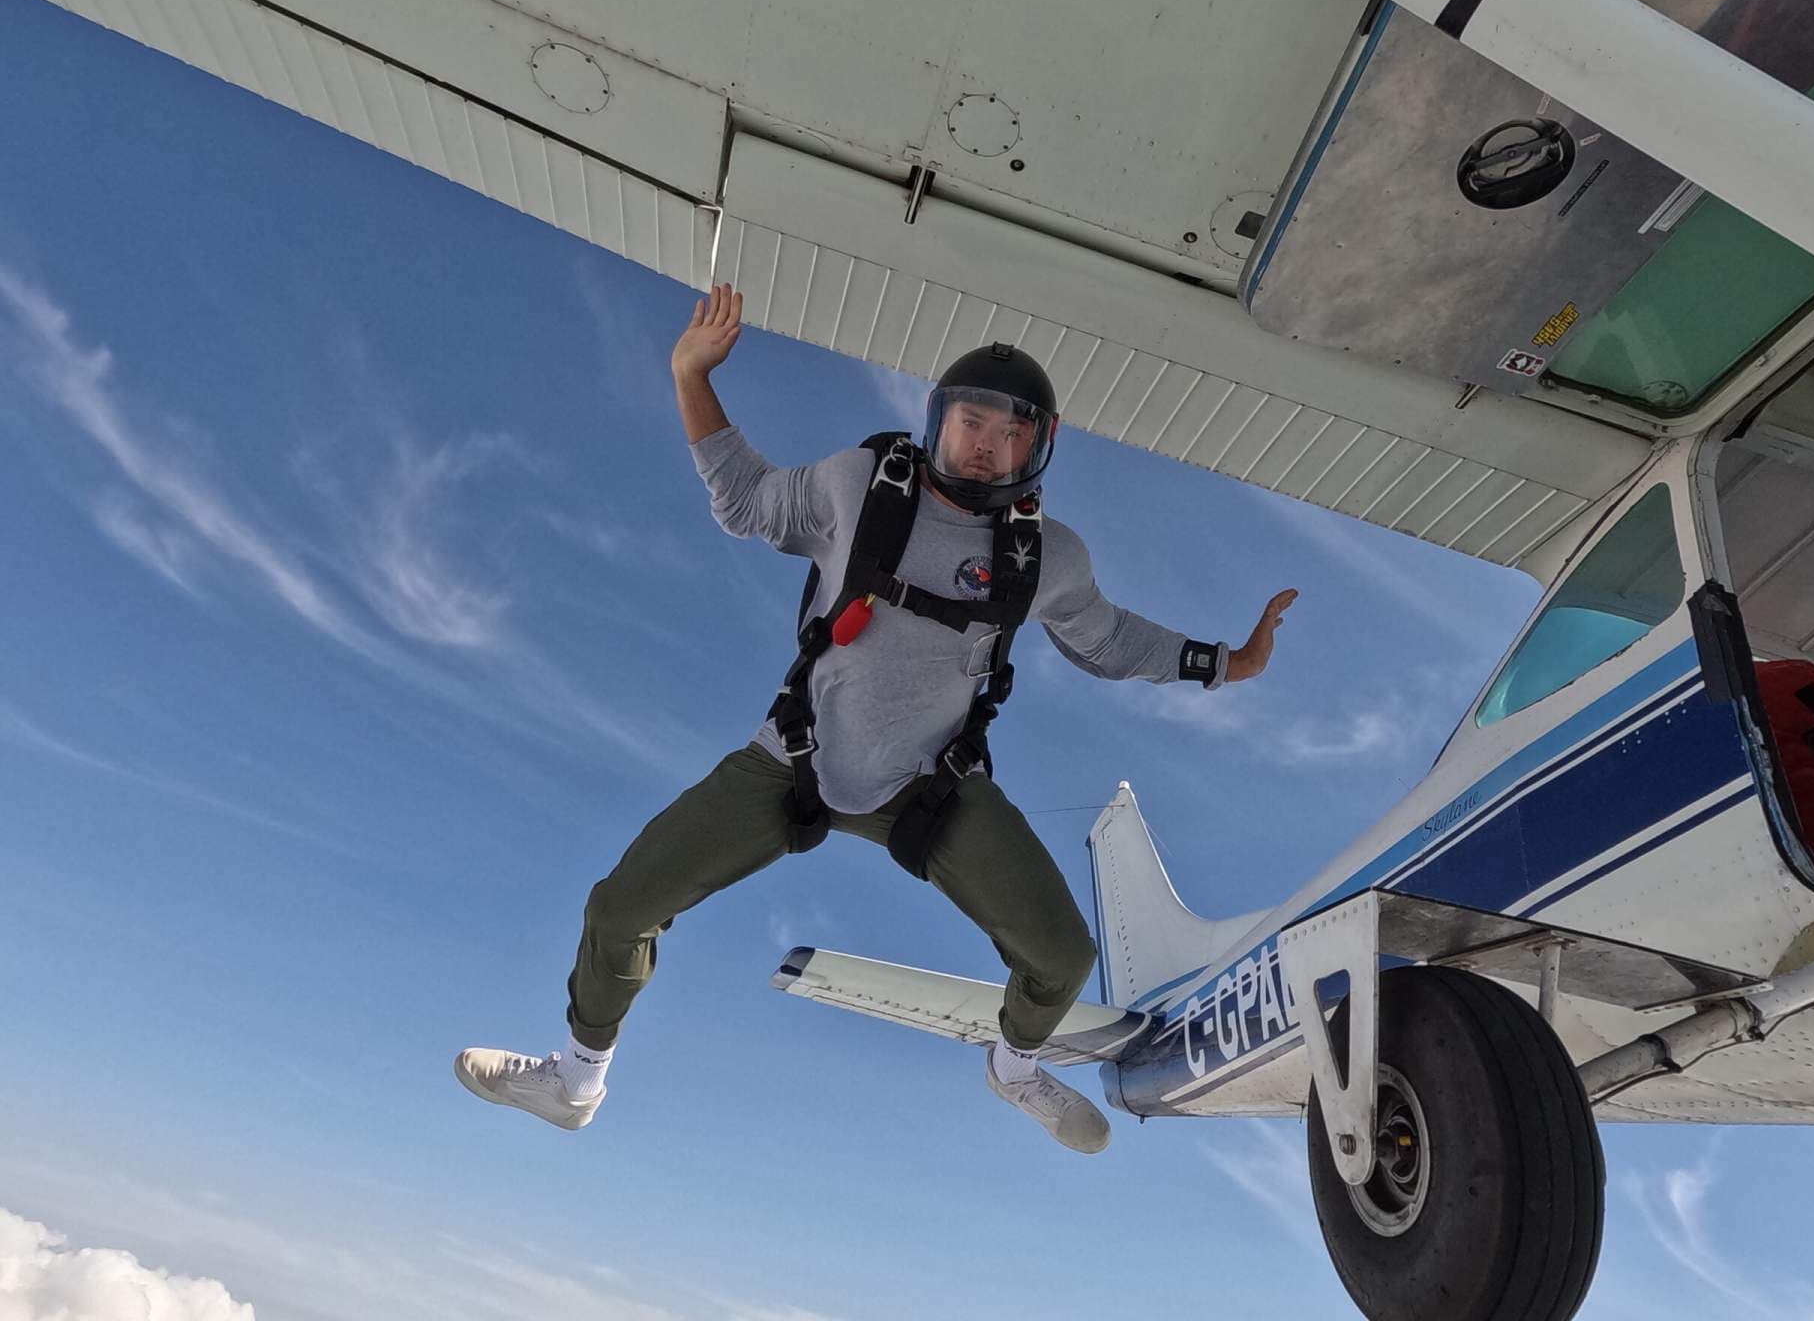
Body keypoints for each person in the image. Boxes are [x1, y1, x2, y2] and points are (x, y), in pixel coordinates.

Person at [456, 283, 1297, 1153]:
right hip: (797, 759)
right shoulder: (859, 486)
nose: (985, 446)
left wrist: (1230, 662)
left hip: (929, 788)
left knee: (1064, 957)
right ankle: (576, 1080)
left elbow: (1111, 641)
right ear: (938, 422)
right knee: (619, 906)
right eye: (972, 422)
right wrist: (689, 376)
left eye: (1012, 434)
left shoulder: (1046, 559)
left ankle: (1013, 1069)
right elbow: (745, 499)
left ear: (1037, 452)